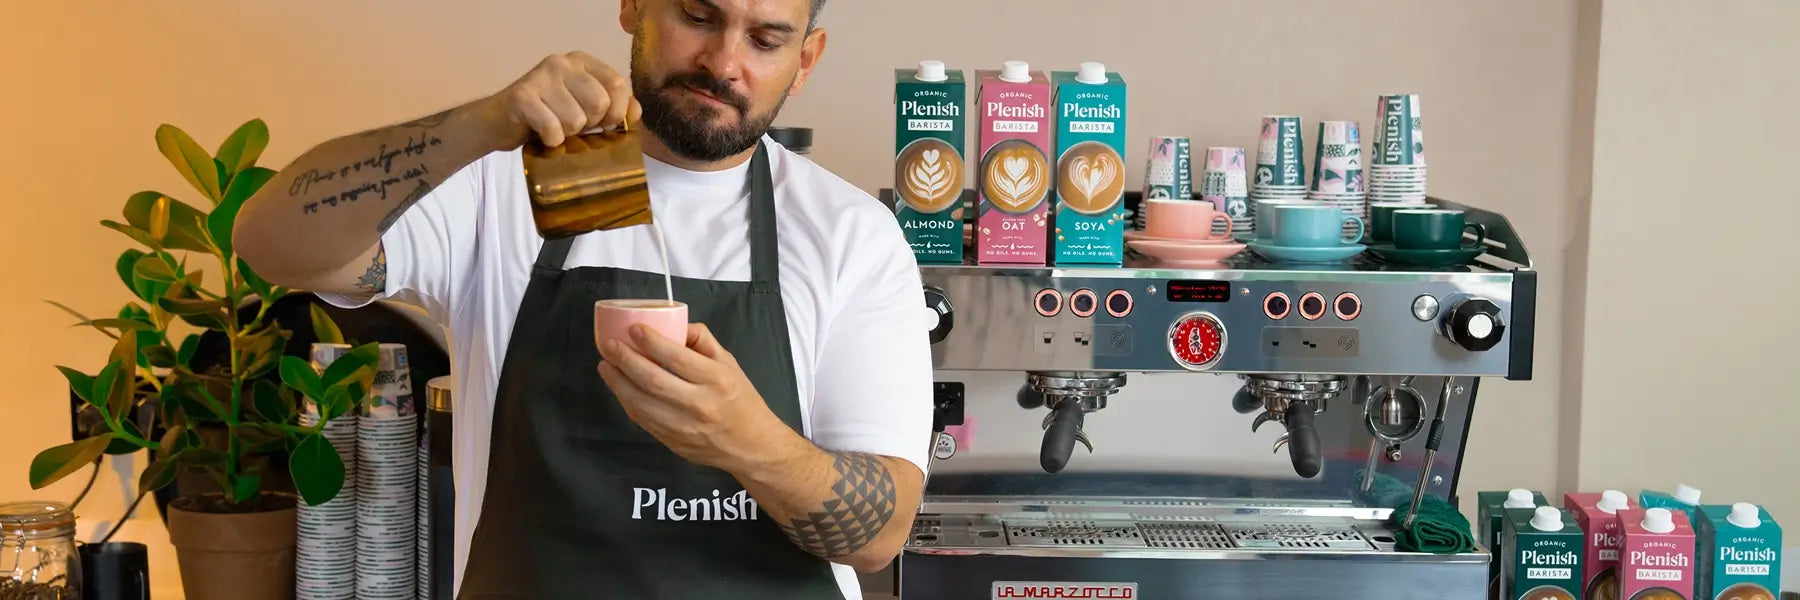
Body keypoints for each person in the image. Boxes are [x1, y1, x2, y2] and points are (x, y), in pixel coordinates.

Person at [233, 1, 934, 598]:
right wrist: (481, 124)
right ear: (633, 5)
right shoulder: (505, 189)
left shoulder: (848, 236)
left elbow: (882, 535)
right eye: (698, 14)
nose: (724, 62)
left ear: (805, 60)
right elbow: (269, 243)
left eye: (766, 39)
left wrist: (748, 441)